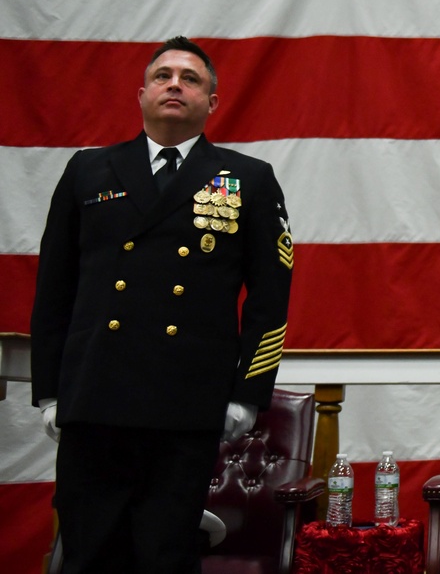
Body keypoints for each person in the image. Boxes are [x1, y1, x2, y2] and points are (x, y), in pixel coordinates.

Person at [30, 36, 294, 574]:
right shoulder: (88, 171)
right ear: (142, 94)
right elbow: (53, 291)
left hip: (187, 404)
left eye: (191, 78)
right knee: (88, 552)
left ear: (212, 102)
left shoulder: (248, 179)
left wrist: (246, 394)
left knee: (165, 554)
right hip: (95, 399)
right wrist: (50, 392)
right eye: (163, 76)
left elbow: (271, 299)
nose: (175, 85)